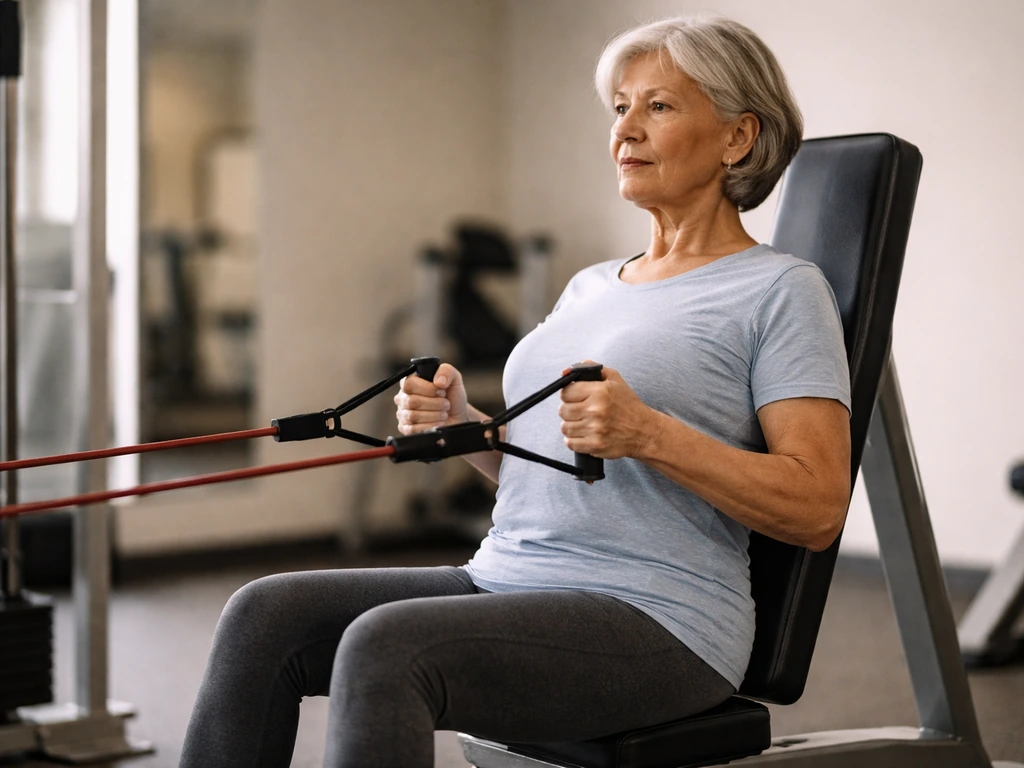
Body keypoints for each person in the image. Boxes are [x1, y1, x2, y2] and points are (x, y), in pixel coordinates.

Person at [180, 15, 851, 768]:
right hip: (506, 579)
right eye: (619, 108)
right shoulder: (592, 284)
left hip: (659, 620)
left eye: (658, 107)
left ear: (737, 137)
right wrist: (468, 426)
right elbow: (554, 472)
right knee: (262, 617)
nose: (625, 130)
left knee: (385, 647)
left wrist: (650, 433)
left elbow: (818, 507)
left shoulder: (780, 291)